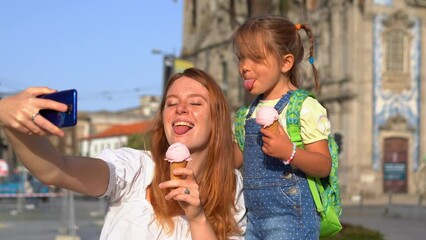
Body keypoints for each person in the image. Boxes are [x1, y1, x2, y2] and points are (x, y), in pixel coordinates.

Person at [0, 67, 246, 240]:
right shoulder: (137, 169)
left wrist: (198, 218)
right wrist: (9, 118)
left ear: (217, 119)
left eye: (195, 103)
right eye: (171, 103)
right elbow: (55, 169)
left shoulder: (232, 187)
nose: (181, 108)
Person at [232, 15, 332, 239]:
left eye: (255, 58)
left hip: (292, 220)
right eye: (241, 58)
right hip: (253, 220)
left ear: (286, 63)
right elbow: (234, 160)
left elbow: (323, 165)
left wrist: (290, 152)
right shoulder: (246, 114)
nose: (245, 67)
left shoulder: (303, 108)